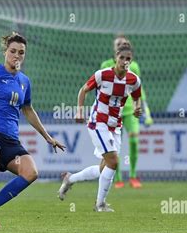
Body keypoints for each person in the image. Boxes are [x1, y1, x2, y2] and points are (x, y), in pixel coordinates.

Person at [0, 32, 66, 232]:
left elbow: (28, 110)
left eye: (21, 53)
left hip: (10, 138)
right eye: (13, 51)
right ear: (5, 52)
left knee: (30, 172)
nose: (16, 56)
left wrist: (48, 137)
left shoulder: (25, 81)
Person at [58, 43, 142, 211]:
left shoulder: (133, 79)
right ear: (116, 58)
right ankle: (100, 204)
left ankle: (70, 179)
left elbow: (136, 96)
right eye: (122, 58)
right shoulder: (102, 75)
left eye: (128, 59)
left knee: (104, 167)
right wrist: (79, 111)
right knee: (114, 162)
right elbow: (83, 90)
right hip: (98, 122)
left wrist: (137, 107)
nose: (125, 61)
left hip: (115, 126)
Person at [100, 35, 153, 189]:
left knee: (134, 140)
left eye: (123, 44)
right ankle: (117, 179)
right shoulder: (106, 65)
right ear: (114, 49)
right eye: (118, 44)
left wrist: (146, 111)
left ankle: (133, 176)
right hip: (113, 111)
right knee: (115, 146)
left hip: (130, 111)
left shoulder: (134, 66)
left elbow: (139, 89)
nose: (120, 46)